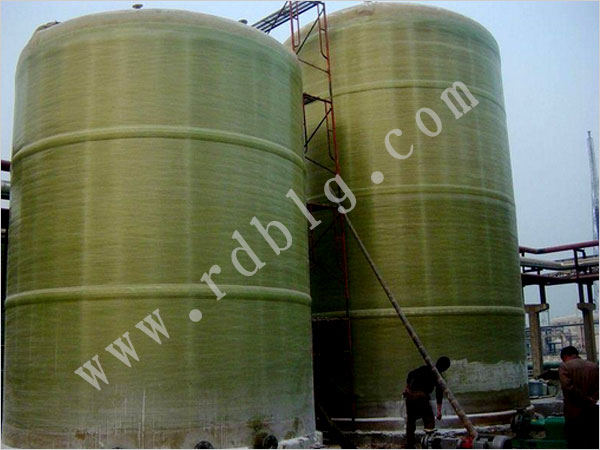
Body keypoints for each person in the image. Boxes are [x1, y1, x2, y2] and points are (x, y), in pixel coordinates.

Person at [403, 357, 450, 449]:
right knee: (429, 420)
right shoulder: (438, 376)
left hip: (410, 395)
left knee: (411, 420)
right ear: (445, 368)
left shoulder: (425, 368)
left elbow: (410, 374)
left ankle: (409, 444)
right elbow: (439, 394)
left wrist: (407, 387)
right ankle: (428, 443)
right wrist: (439, 411)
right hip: (421, 396)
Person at [559, 346, 599, 449]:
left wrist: (585, 399)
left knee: (575, 442)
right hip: (592, 411)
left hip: (574, 412)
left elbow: (567, 387)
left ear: (565, 357)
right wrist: (592, 399)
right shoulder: (593, 366)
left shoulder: (565, 366)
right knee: (593, 441)